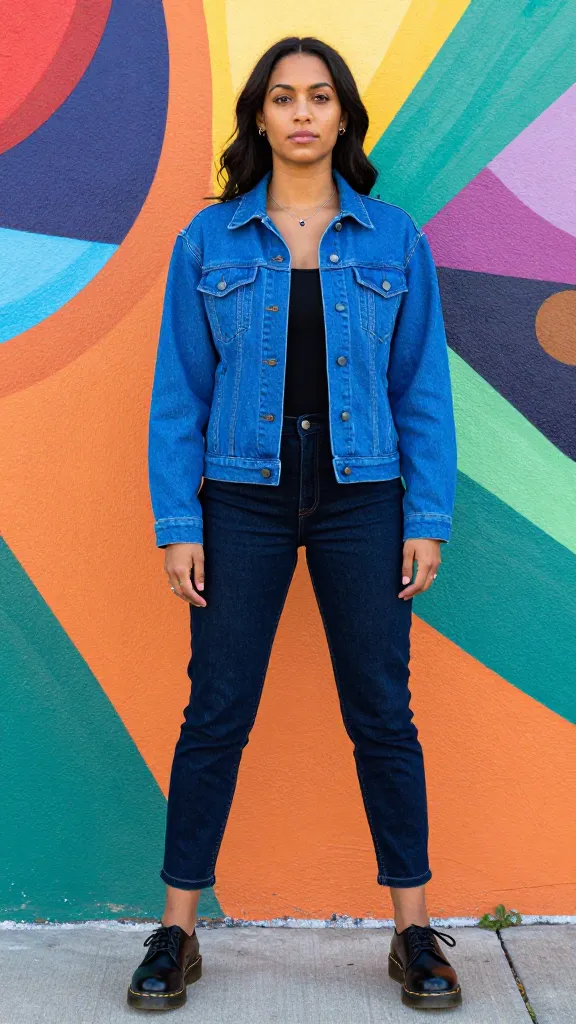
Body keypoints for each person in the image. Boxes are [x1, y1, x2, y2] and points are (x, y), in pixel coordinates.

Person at [127, 36, 461, 1013]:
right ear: (261, 117)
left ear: (343, 116)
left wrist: (427, 516)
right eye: (284, 98)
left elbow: (423, 388)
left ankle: (414, 932)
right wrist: (177, 520)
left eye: (320, 97)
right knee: (217, 709)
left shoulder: (395, 239)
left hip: (367, 496)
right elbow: (178, 395)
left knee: (383, 714)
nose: (303, 114)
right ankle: (176, 933)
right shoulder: (210, 242)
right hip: (241, 499)